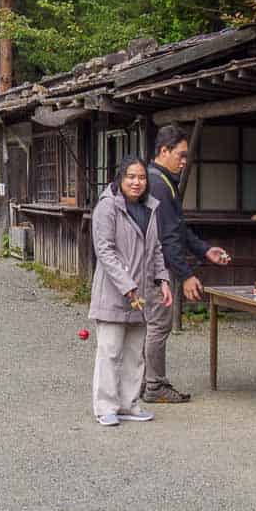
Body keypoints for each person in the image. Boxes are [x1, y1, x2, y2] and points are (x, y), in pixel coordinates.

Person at [144, 124, 231, 404]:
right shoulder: (157, 183)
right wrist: (186, 276)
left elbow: (177, 227)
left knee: (149, 325)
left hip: (151, 264)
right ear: (163, 151)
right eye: (180, 155)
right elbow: (168, 237)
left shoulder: (161, 180)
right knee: (158, 324)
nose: (184, 161)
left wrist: (204, 250)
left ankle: (143, 381)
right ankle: (154, 385)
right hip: (153, 266)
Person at [89, 157, 172, 427]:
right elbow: (105, 251)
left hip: (142, 294)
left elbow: (156, 249)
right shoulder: (107, 206)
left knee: (135, 354)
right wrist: (127, 287)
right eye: (131, 177)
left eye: (141, 178)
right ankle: (105, 406)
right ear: (120, 179)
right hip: (114, 292)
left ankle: (128, 403)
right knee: (110, 351)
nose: (137, 182)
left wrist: (163, 280)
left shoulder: (150, 208)